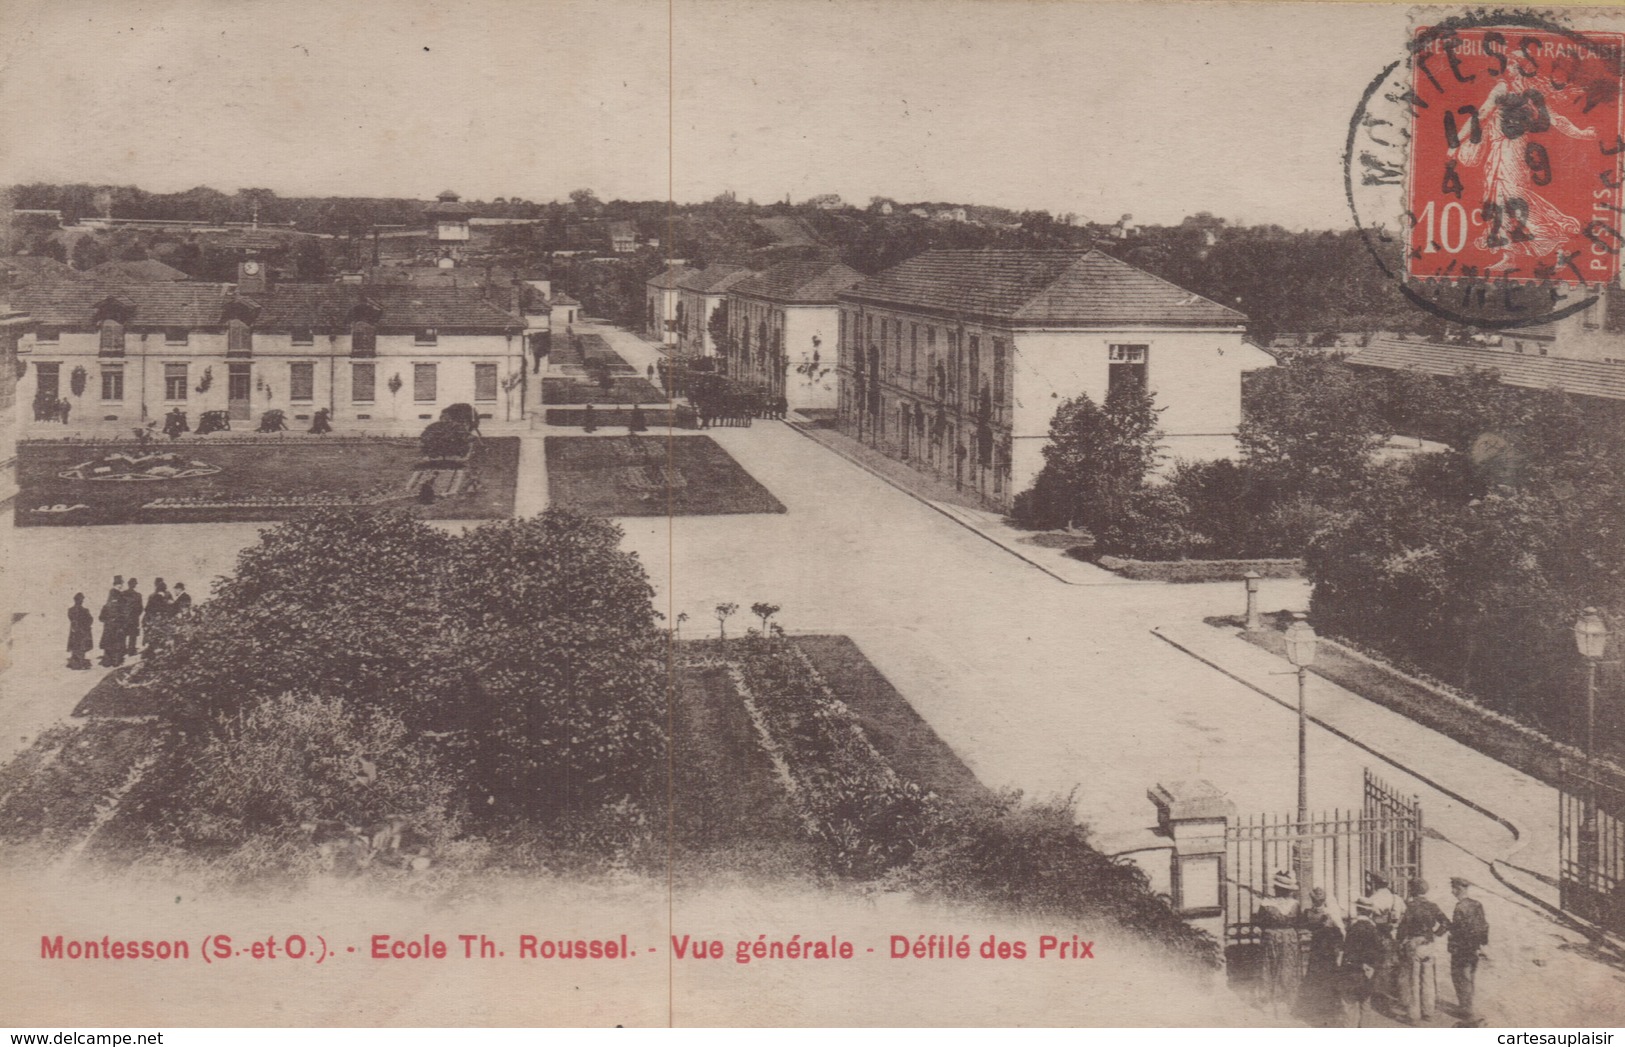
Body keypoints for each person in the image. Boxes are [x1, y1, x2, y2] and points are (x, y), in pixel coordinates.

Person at [1397, 877, 1451, 1023]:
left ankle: (1413, 1016)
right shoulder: (1433, 906)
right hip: (1429, 944)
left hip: (1414, 944)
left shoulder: (1411, 906)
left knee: (1413, 980)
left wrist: (1400, 941)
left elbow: (1403, 928)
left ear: (1413, 890)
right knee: (1428, 979)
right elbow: (1446, 923)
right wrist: (1434, 934)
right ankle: (1428, 1012)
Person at [1255, 870, 1304, 1018]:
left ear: (1276, 889)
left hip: (1271, 937)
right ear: (1289, 891)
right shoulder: (1295, 905)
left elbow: (1259, 922)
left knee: (1268, 967)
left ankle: (1268, 1002)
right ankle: (1284, 1003)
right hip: (1289, 939)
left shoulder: (1265, 904)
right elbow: (1299, 922)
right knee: (1287, 967)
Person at [1448, 876, 1490, 1027]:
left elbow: (1459, 930)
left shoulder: (1460, 907)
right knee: (1470, 977)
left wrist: (1451, 934)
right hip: (1474, 949)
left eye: (1453, 888)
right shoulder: (1477, 904)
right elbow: (1484, 926)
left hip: (1461, 949)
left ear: (1457, 889)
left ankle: (1466, 1010)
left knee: (1460, 978)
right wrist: (1482, 945)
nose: (1452, 891)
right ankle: (1468, 1005)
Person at [1301, 887, 1345, 1026]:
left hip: (1317, 950)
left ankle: (1317, 1008)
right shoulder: (1329, 914)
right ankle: (1328, 1009)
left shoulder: (1308, 913)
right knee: (1327, 978)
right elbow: (1340, 933)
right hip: (1327, 951)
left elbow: (1303, 928)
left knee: (1316, 977)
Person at [1340, 898, 1385, 1027]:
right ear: (1370, 913)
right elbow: (1380, 953)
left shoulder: (1352, 929)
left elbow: (1348, 953)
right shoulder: (1373, 930)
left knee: (1349, 1005)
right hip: (1368, 974)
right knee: (1365, 1005)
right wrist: (1371, 968)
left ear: (1357, 910)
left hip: (1352, 973)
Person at [98, 576, 126, 667]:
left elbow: (101, 617)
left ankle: (107, 661)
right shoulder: (120, 597)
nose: (121, 586)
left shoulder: (108, 603)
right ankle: (115, 662)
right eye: (120, 584)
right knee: (117, 643)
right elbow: (123, 612)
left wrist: (107, 620)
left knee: (108, 643)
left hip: (109, 625)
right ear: (119, 584)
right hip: (117, 625)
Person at [66, 593, 94, 670]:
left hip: (74, 632)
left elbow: (71, 619)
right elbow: (90, 620)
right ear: (81, 601)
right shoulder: (85, 610)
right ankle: (80, 664)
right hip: (83, 632)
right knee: (81, 648)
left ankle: (75, 664)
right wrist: (86, 626)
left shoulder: (70, 610)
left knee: (75, 648)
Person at [119, 577, 143, 657]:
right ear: (135, 585)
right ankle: (131, 651)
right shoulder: (138, 595)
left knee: (123, 635)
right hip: (134, 618)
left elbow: (119, 606)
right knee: (133, 635)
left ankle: (122, 650)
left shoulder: (122, 594)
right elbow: (140, 608)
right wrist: (135, 615)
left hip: (124, 618)